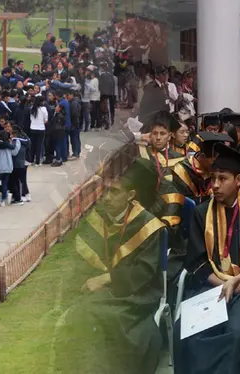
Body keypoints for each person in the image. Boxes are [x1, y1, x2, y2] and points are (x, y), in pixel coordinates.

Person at [54, 156, 168, 372]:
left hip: (134, 296)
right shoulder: (99, 218)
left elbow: (143, 274)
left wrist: (108, 278)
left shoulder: (148, 226)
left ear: (131, 195)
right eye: (105, 190)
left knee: (103, 318)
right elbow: (81, 260)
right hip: (102, 293)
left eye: (114, 192)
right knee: (81, 316)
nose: (106, 198)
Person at [177, 143, 240, 374]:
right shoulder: (201, 213)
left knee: (237, 335)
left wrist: (235, 283)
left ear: (238, 180)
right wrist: (225, 285)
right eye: (212, 178)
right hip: (210, 287)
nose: (215, 185)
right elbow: (196, 260)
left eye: (222, 178)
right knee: (189, 333)